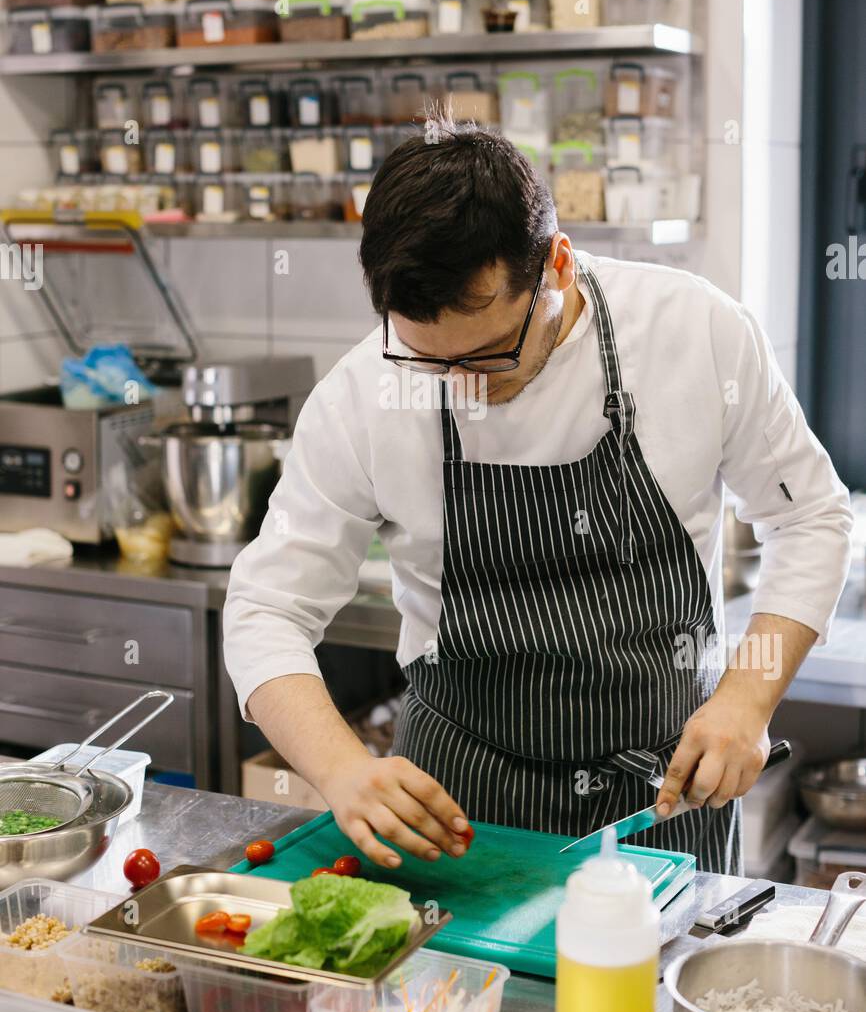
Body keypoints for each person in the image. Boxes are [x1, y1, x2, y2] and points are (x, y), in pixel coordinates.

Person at [224, 121, 851, 873]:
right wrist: (340, 768)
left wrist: (747, 698)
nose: (463, 384)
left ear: (556, 265)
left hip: (663, 795)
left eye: (489, 354)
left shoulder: (696, 331)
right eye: (428, 360)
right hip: (461, 806)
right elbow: (266, 609)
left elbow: (809, 517)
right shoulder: (360, 396)